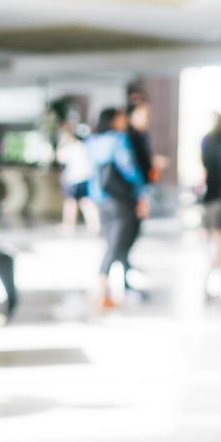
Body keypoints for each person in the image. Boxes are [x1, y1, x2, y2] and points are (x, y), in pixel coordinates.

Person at [87, 107, 151, 312]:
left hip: (99, 199)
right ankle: (101, 291)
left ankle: (117, 287)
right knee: (116, 246)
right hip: (120, 201)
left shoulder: (92, 142)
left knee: (112, 244)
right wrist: (142, 191)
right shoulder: (118, 140)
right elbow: (129, 169)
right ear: (114, 121)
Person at [199, 113, 221, 299]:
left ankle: (209, 286)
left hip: (208, 200)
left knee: (211, 246)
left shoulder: (206, 144)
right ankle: (216, 287)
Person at [57, 122, 100, 235]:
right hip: (86, 178)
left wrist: (63, 141)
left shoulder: (72, 147)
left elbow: (59, 157)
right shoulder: (89, 147)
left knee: (71, 203)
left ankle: (68, 226)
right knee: (86, 202)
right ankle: (94, 225)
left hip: (74, 179)